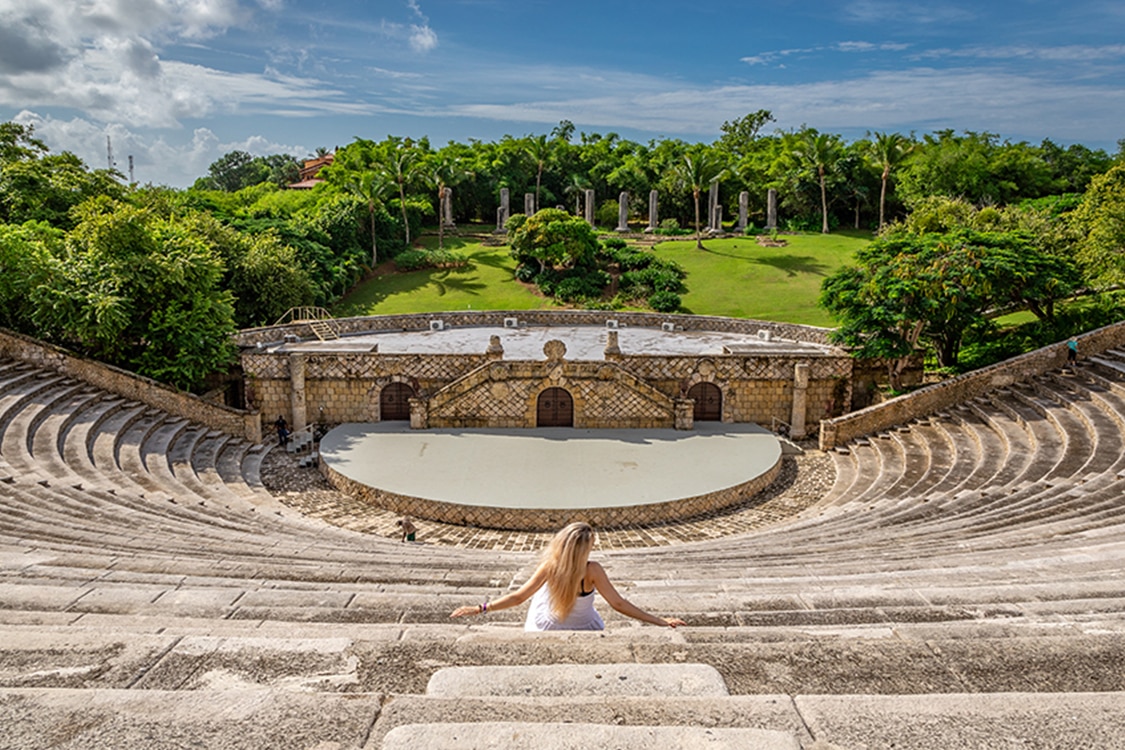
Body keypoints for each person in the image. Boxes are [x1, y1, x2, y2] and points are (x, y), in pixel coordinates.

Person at [450, 521, 686, 630]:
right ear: (585, 550)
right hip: (585, 625)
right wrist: (660, 621)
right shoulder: (593, 570)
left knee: (539, 592)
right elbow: (618, 603)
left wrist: (480, 608)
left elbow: (519, 597)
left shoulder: (549, 567)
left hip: (549, 626)